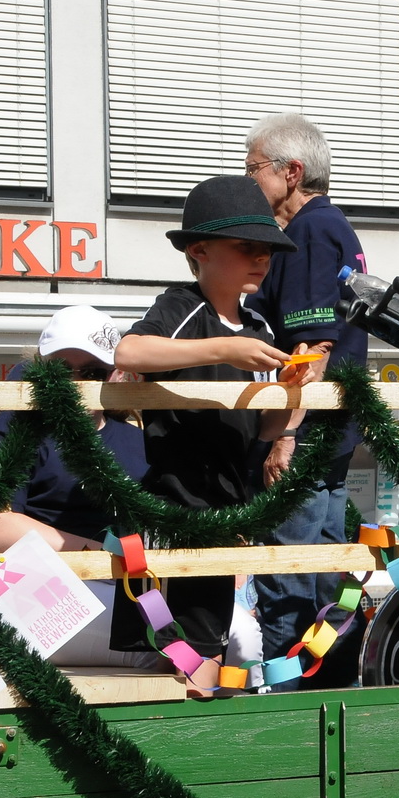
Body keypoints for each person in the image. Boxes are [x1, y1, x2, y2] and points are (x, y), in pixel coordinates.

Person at [113, 176, 302, 694]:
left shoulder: (260, 327)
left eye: (267, 249)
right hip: (173, 505)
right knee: (175, 656)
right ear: (200, 250)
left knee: (209, 647)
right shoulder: (182, 305)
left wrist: (290, 397)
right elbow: (130, 353)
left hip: (227, 506)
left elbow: (263, 430)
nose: (261, 259)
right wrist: (223, 348)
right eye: (247, 248)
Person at [243, 113, 369, 689]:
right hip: (331, 428)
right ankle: (331, 696)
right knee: (323, 577)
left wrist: (286, 432)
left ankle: (286, 705)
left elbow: (312, 345)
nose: (247, 181)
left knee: (289, 576)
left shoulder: (312, 231)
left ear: (292, 173)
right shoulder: (332, 227)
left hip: (308, 429)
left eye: (254, 170)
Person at [0, 306, 154, 666]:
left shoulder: (139, 440)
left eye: (92, 372)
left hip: (129, 585)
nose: (76, 383)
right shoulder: (16, 429)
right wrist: (101, 553)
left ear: (115, 374)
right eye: (62, 370)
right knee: (164, 644)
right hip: (39, 588)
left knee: (234, 637)